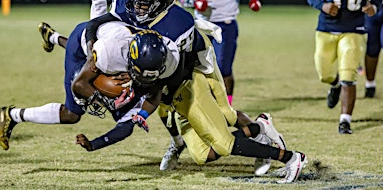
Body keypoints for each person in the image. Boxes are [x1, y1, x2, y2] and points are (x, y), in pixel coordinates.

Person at [84, 0, 283, 175]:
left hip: (194, 62)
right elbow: (95, 24)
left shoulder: (177, 24)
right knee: (163, 108)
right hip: (159, 65)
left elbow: (176, 72)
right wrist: (93, 53)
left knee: (225, 114)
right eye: (136, 2)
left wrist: (137, 83)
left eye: (144, 4)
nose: (137, 8)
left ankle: (262, 133)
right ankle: (177, 143)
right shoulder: (125, 2)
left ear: (160, 3)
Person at [117, 28, 307, 183]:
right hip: (176, 103)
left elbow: (155, 95)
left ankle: (291, 158)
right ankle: (258, 127)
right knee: (202, 155)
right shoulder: (141, 47)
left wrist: (138, 109)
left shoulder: (172, 60)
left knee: (225, 139)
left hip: (190, 91)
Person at [0, 0, 137, 151]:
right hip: (88, 43)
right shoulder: (114, 54)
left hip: (96, 39)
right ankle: (12, 115)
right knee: (71, 114)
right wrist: (104, 100)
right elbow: (80, 83)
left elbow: (125, 127)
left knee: (100, 62)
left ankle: (52, 37)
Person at [306, 0, 383, 134]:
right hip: (326, 28)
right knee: (324, 74)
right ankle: (335, 85)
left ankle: (345, 121)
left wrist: (374, 7)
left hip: (354, 28)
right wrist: (323, 6)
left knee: (349, 74)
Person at [175, 0, 261, 105]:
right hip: (203, 24)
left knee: (223, 68)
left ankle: (226, 106)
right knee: (196, 67)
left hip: (226, 23)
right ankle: (197, 103)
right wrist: (194, 2)